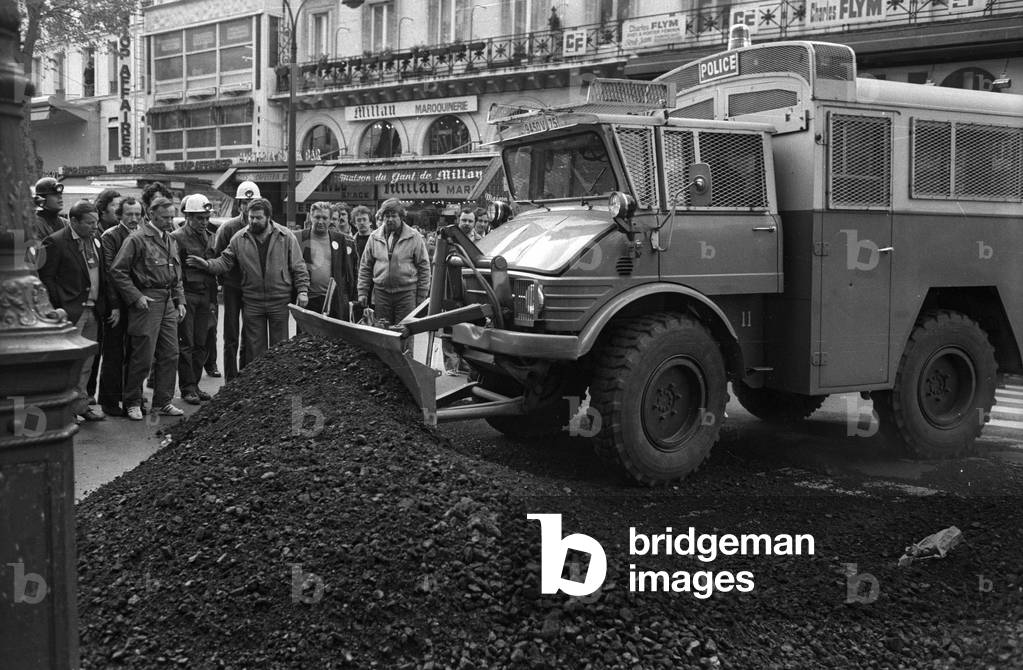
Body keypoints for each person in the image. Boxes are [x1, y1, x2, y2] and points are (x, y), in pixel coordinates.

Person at [189, 198, 309, 361]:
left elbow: (298, 266)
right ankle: (259, 385)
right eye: (251, 217)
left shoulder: (286, 236)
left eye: (258, 218)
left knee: (280, 349)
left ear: (268, 217)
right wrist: (207, 265)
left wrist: (302, 290)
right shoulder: (239, 238)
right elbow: (224, 261)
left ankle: (277, 385)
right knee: (255, 351)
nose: (253, 221)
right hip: (253, 302)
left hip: (279, 301)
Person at [109, 196, 186, 420]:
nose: (169, 221)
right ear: (150, 215)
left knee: (171, 353)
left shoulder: (170, 239)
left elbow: (176, 274)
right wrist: (136, 296)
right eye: (164, 217)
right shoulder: (138, 239)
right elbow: (118, 271)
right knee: (142, 355)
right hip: (147, 300)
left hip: (167, 300)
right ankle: (132, 401)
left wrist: (180, 300)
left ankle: (163, 401)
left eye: (172, 217)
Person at [37, 200, 108, 423]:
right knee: (68, 364)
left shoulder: (95, 241)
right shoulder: (56, 242)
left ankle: (80, 406)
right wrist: (61, 305)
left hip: (93, 312)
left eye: (96, 222)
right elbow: (46, 278)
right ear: (74, 221)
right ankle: (63, 410)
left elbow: (102, 275)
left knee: (86, 364)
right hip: (71, 313)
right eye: (89, 223)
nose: (95, 227)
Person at [170, 194, 219, 405]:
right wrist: (178, 300)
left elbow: (215, 266)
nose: (204, 222)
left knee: (202, 343)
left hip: (205, 296)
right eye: (200, 218)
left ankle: (196, 385)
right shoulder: (177, 237)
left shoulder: (210, 236)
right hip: (188, 295)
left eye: (206, 218)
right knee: (186, 343)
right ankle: (187, 387)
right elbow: (174, 271)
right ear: (188, 216)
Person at [97, 196, 143, 416]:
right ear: (120, 216)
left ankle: (133, 398)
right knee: (114, 352)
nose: (134, 219)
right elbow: (109, 272)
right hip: (118, 303)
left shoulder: (144, 234)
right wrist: (114, 305)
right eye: (129, 214)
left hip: (139, 301)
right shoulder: (110, 236)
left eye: (137, 214)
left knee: (137, 353)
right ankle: (109, 401)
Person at [357, 198, 431, 326]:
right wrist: (362, 291)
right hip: (381, 294)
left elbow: (424, 267)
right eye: (387, 216)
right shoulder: (374, 237)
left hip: (406, 295)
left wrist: (421, 296)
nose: (390, 219)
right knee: (382, 331)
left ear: (401, 217)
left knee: (405, 331)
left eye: (393, 216)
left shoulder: (414, 237)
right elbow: (365, 266)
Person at [213, 180, 260, 380]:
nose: (247, 207)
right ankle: (230, 379)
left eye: (252, 203)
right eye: (244, 203)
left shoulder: (261, 226)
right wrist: (223, 283)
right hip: (232, 287)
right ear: (239, 205)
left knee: (249, 336)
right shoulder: (228, 228)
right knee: (230, 336)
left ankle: (245, 378)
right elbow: (218, 257)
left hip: (252, 288)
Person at [299, 201, 357, 321]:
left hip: (333, 300)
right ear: (311, 217)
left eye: (325, 218)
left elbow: (346, 270)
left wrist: (348, 297)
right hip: (308, 299)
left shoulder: (339, 239)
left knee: (333, 338)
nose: (320, 221)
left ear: (330, 219)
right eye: (317, 217)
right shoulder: (299, 237)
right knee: (307, 338)